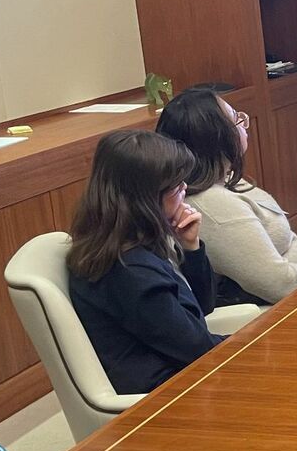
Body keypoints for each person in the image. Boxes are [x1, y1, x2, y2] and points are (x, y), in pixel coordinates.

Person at [67, 130, 223, 396]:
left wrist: (191, 247)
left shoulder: (119, 242)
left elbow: (202, 309)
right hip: (171, 396)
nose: (185, 190)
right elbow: (198, 349)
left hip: (181, 375)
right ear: (145, 198)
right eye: (176, 186)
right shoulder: (130, 271)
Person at [156, 87, 297, 305]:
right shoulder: (213, 205)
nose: (244, 124)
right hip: (284, 308)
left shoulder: (224, 177)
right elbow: (277, 284)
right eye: (236, 119)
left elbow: (282, 242)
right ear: (215, 138)